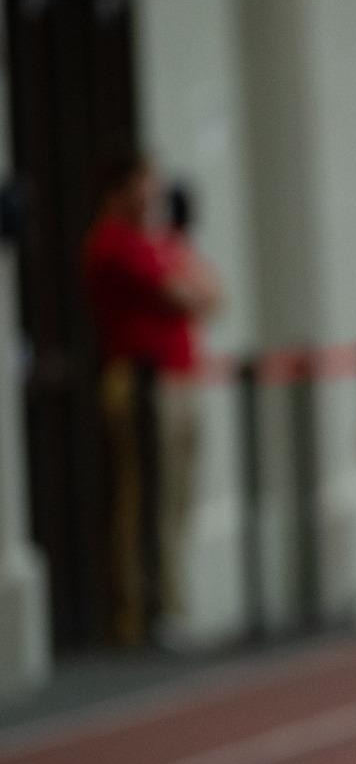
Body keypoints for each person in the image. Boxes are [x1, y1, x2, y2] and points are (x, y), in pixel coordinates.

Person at [82, 153, 222, 647]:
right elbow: (183, 295)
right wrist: (186, 284)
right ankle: (147, 611)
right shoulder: (116, 244)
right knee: (149, 493)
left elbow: (214, 295)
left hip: (181, 377)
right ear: (120, 191)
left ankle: (173, 600)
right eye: (145, 185)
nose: (155, 195)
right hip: (143, 379)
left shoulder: (160, 242)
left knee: (179, 493)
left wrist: (186, 275)